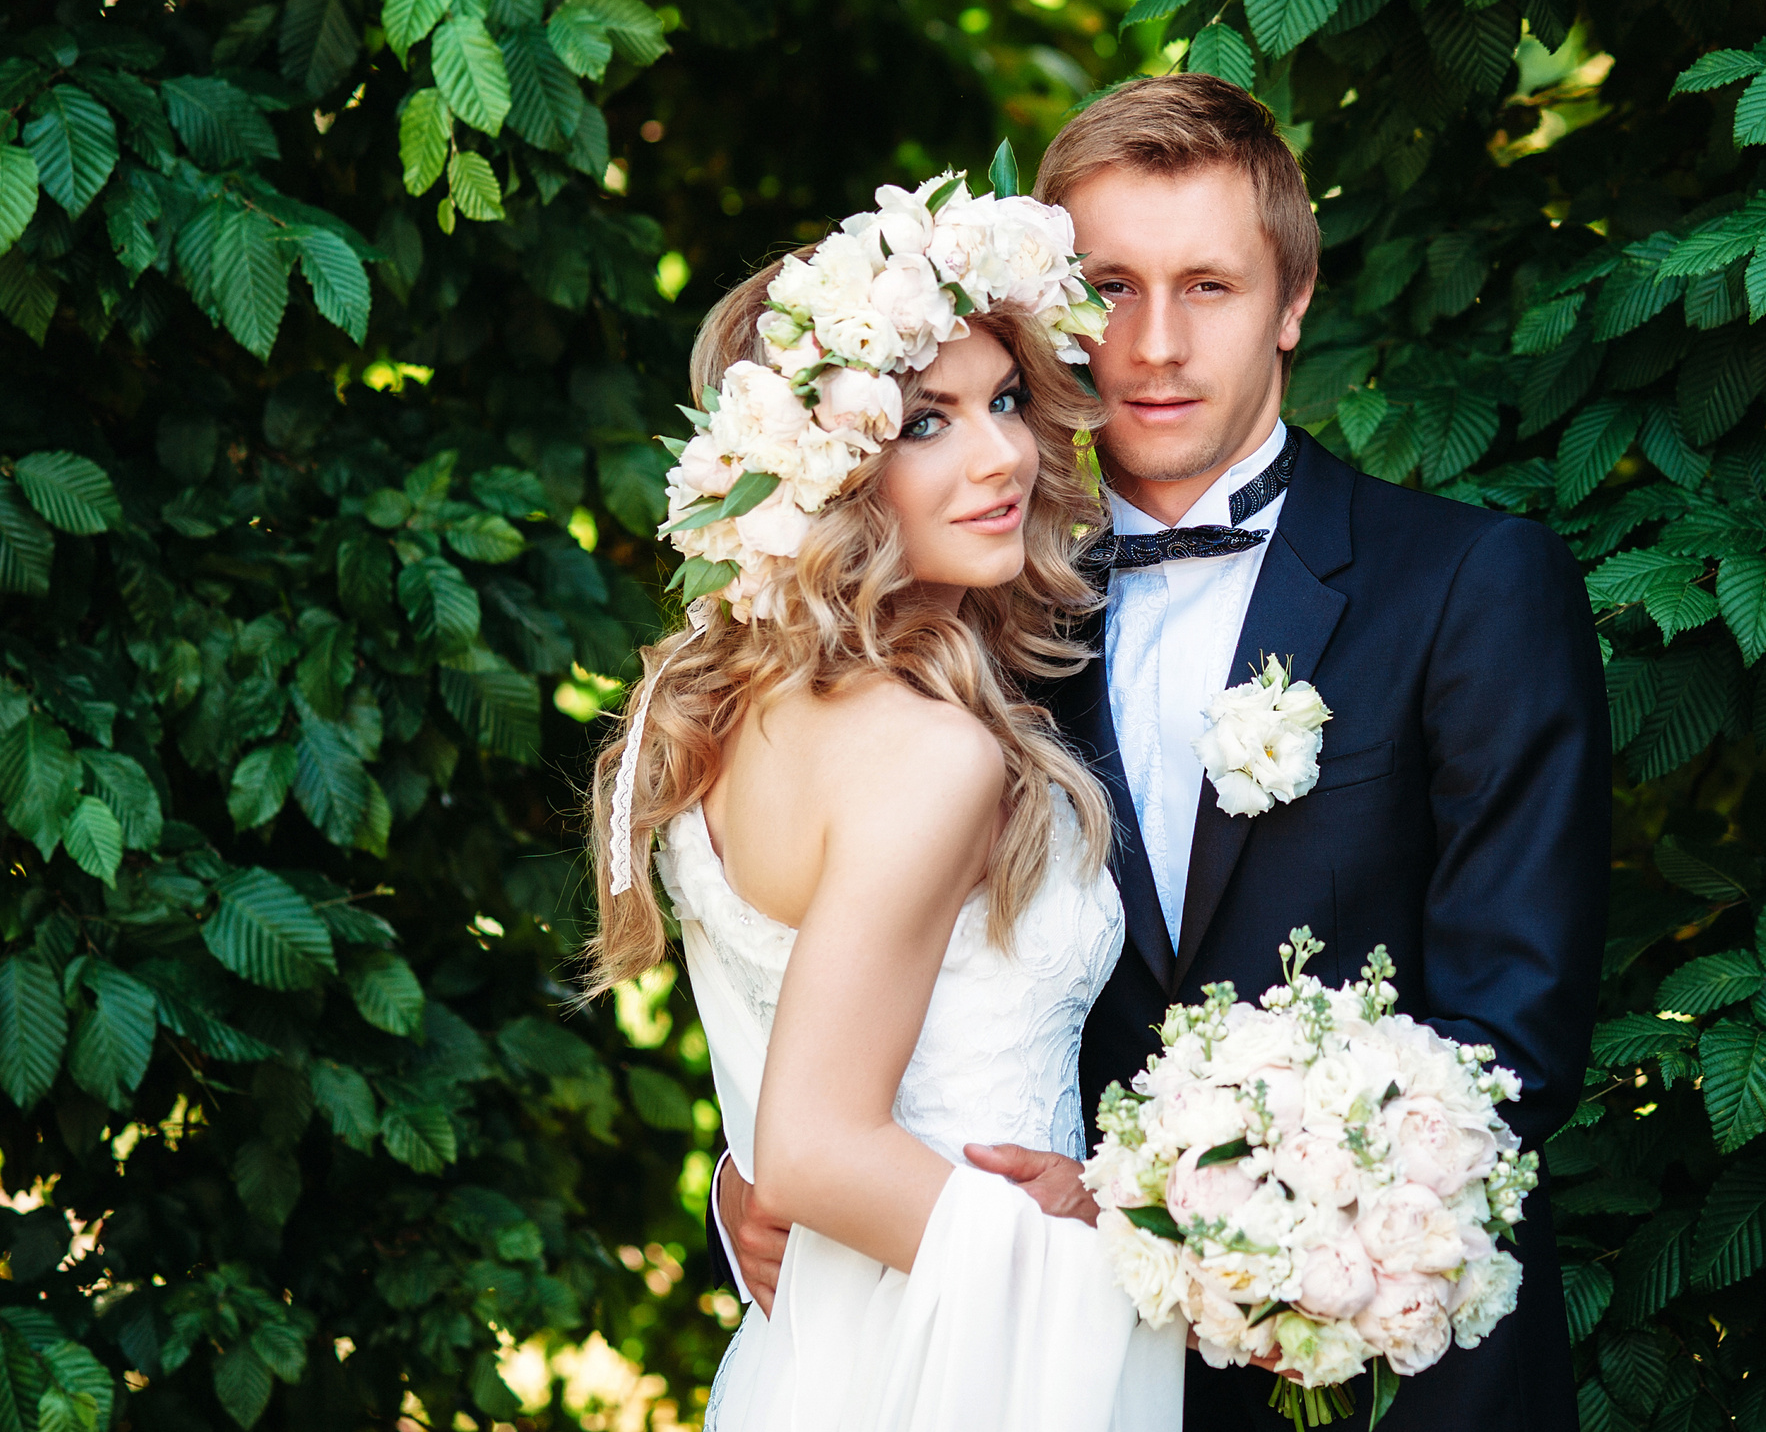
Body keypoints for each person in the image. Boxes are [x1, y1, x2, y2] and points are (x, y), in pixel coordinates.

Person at [712, 75, 1611, 1428]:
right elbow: (840, 976)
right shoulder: (970, 619)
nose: (1152, 345)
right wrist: (750, 1184)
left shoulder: (1469, 585)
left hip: (1387, 1378)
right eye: (1111, 288)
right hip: (1029, 1374)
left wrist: (1152, 1215)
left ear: (1292, 299)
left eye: (1208, 286)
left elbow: (1509, 1050)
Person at [589, 186, 1183, 1432]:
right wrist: (1131, 1265)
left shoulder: (721, 711)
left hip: (812, 1362)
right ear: (821, 468)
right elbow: (813, 1145)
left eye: (1006, 401)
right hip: (970, 1373)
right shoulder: (929, 752)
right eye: (925, 421)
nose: (1002, 456)